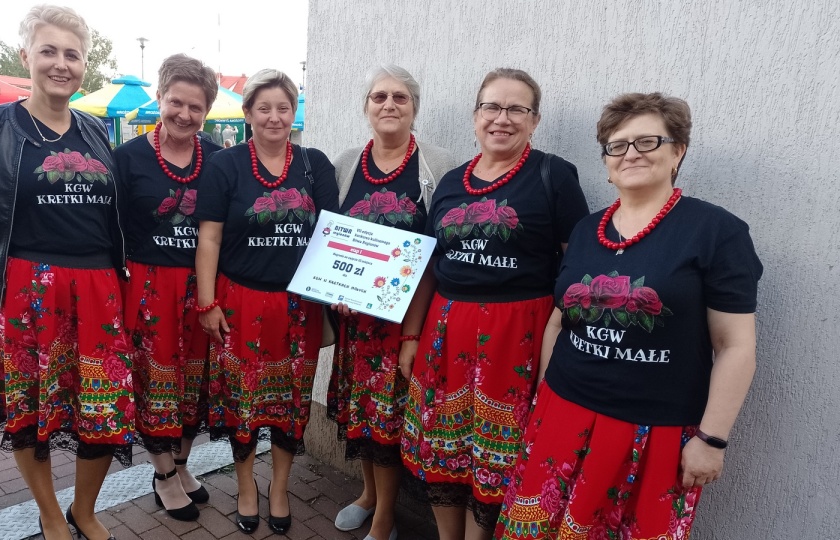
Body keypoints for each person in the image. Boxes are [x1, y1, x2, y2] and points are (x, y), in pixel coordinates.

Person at [494, 92, 763, 539]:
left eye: (647, 142)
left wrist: (712, 439)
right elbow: (561, 318)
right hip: (562, 410)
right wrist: (542, 392)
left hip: (650, 432)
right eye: (617, 145)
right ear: (606, 160)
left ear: (678, 151)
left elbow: (735, 344)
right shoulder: (587, 229)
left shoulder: (717, 232)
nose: (631, 154)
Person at [0, 6, 132, 540]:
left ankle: (85, 508)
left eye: (72, 54)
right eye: (49, 51)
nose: (61, 64)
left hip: (99, 286)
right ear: (26, 56)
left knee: (105, 408)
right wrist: (11, 275)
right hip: (28, 289)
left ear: (84, 64)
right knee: (32, 411)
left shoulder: (96, 129)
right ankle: (51, 514)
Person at [399, 68, 589, 540]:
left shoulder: (554, 175)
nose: (502, 118)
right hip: (447, 331)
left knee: (498, 454)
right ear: (476, 115)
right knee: (445, 449)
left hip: (518, 336)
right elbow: (429, 266)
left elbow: (579, 268)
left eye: (516, 109)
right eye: (492, 107)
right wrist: (410, 334)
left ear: (534, 119)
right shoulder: (449, 182)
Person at [194, 68, 338, 535]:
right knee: (242, 404)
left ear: (294, 112)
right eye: (264, 108)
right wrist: (207, 301)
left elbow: (334, 241)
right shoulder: (226, 165)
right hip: (240, 305)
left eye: (284, 107)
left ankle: (278, 486)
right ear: (248, 112)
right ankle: (245, 486)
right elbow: (210, 238)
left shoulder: (315, 165)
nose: (275, 117)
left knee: (289, 405)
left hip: (299, 310)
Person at [327, 64, 456, 540]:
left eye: (400, 98)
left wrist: (415, 330)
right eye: (379, 97)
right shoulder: (345, 164)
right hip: (356, 319)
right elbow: (334, 241)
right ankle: (367, 494)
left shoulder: (438, 166)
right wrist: (337, 289)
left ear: (414, 108)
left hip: (405, 318)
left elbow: (444, 244)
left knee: (387, 420)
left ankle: (385, 517)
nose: (389, 105)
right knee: (360, 414)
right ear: (366, 107)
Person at [114, 53, 220, 522]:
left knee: (193, 383)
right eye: (175, 102)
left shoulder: (217, 158)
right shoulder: (127, 158)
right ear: (160, 98)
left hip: (200, 287)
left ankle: (181, 465)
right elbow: (109, 228)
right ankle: (162, 477)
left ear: (207, 111)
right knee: (156, 382)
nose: (184, 114)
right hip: (148, 286)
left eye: (196, 107)